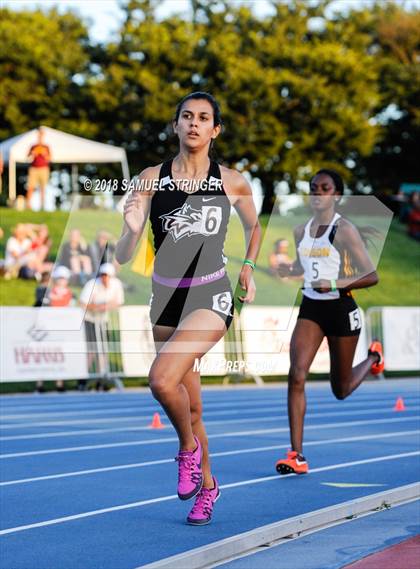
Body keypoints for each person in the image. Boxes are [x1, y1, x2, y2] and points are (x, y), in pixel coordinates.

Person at [116, 92, 261, 525]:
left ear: (215, 130)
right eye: (186, 117)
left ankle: (186, 452)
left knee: (161, 380)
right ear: (176, 125)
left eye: (204, 118)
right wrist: (129, 229)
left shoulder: (232, 181)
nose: (194, 124)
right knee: (191, 408)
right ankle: (210, 486)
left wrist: (248, 269)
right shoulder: (148, 178)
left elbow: (255, 228)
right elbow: (124, 255)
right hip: (165, 299)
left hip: (210, 295)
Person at [275, 168, 384, 476]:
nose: (317, 193)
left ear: (336, 195)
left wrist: (334, 283)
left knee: (341, 388)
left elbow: (371, 276)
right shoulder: (300, 231)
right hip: (311, 308)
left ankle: (374, 356)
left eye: (324, 188)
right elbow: (304, 263)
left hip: (340, 309)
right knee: (296, 374)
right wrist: (290, 270)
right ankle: (296, 454)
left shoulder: (343, 229)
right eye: (313, 188)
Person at [79, 262, 124, 390]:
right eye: (103, 275)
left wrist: (103, 306)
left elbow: (118, 302)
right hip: (90, 320)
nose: (105, 278)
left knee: (103, 350)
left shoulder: (116, 284)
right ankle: (83, 378)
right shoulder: (92, 284)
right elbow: (83, 302)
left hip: (103, 321)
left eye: (108, 275)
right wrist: (97, 307)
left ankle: (100, 379)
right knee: (92, 350)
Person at [26, 128, 51, 210]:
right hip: (34, 169)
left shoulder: (46, 147)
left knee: (43, 188)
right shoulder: (33, 146)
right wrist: (32, 154)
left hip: (44, 169)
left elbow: (49, 159)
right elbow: (28, 157)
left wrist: (45, 154)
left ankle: (42, 205)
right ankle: (28, 204)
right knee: (31, 187)